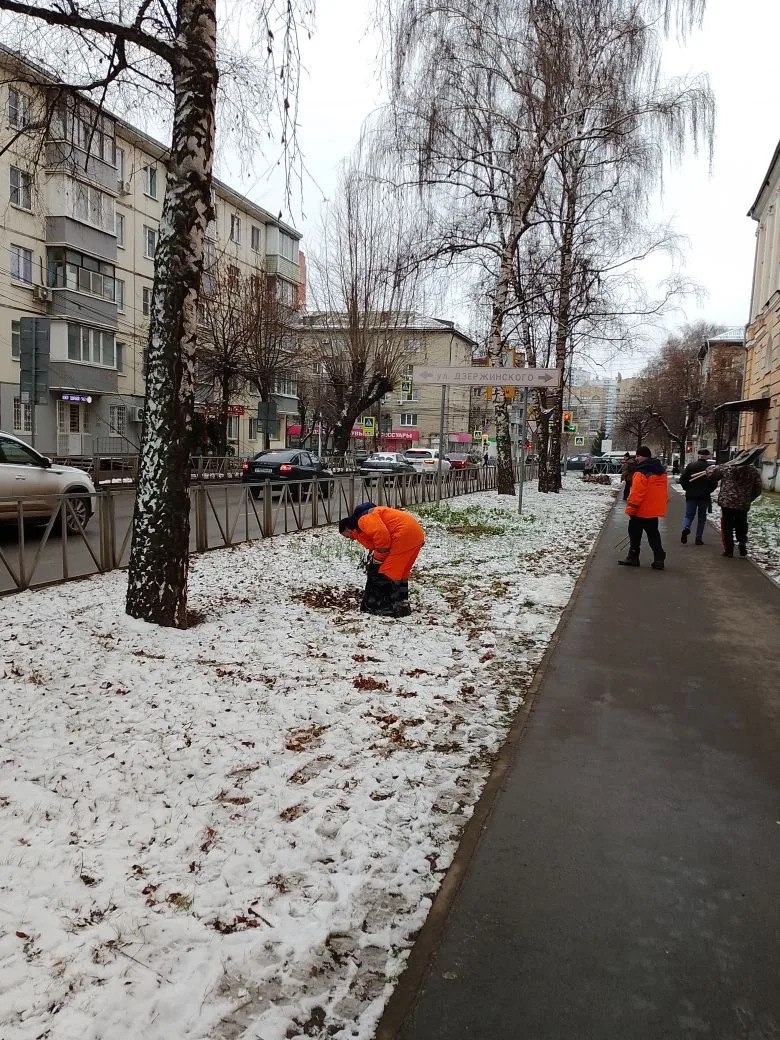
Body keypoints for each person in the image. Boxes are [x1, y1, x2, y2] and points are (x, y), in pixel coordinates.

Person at [339, 503, 425, 617]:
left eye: (347, 536)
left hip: (403, 536)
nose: (350, 539)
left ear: (348, 529)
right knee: (401, 573)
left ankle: (388, 607)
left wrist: (377, 560)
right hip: (414, 535)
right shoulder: (366, 520)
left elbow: (382, 539)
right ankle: (401, 602)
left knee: (387, 573)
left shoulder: (363, 520)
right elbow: (374, 542)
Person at [690, 448, 764, 557]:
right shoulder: (753, 471)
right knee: (741, 524)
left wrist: (720, 466)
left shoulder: (727, 467)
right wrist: (749, 498)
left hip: (727, 503)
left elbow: (711, 473)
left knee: (727, 526)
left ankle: (729, 550)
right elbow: (758, 488)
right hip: (742, 503)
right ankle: (742, 542)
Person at [618, 445, 668, 570]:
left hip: (640, 510)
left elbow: (636, 493)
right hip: (653, 510)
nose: (636, 458)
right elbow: (663, 492)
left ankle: (633, 557)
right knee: (653, 534)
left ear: (643, 456)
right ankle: (659, 557)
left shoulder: (640, 472)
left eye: (638, 456)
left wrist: (631, 509)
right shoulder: (660, 471)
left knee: (634, 533)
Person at [679, 447, 716, 545]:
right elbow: (714, 483)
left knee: (688, 515)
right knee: (701, 517)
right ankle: (698, 538)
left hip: (691, 495)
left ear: (698, 455)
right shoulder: (710, 468)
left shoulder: (691, 466)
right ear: (707, 456)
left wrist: (687, 488)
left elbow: (682, 479)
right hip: (704, 496)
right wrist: (709, 490)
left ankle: (686, 528)